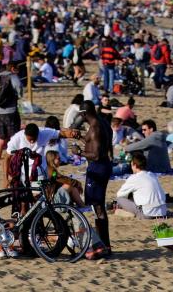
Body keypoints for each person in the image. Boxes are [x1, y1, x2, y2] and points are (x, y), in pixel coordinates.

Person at [80, 100, 113, 257]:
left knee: (98, 207)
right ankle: (104, 244)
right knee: (97, 207)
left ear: (85, 114)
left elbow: (97, 154)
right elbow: (95, 144)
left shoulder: (95, 128)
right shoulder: (102, 123)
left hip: (98, 167)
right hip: (103, 166)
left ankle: (104, 245)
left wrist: (79, 153)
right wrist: (81, 137)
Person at [115, 153, 167, 219]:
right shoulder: (152, 175)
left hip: (147, 213)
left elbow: (119, 194)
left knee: (119, 199)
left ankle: (130, 214)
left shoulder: (134, 177)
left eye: (131, 165)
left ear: (134, 165)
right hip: (163, 212)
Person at [0, 62, 23, 166]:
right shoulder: (12, 76)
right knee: (14, 138)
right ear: (13, 68)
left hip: (0, 111)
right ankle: (15, 161)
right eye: (17, 69)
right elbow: (19, 87)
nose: (18, 71)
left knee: (1, 139)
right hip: (11, 111)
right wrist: (19, 95)